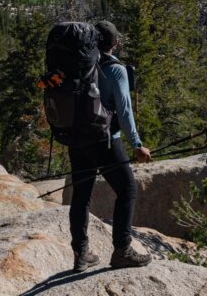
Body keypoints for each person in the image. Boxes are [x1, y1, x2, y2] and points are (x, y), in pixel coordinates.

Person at [68, 20, 153, 272]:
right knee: (127, 189)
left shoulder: (81, 63)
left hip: (77, 139)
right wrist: (137, 144)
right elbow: (125, 111)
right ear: (114, 43)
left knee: (81, 196)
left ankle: (81, 253)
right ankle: (122, 249)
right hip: (104, 141)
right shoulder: (116, 70)